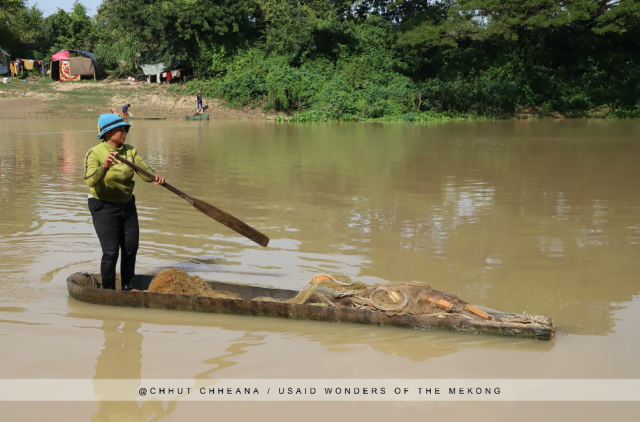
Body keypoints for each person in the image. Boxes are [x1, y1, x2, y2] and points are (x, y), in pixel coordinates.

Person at [84, 114, 165, 291]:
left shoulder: (130, 151)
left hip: (127, 205)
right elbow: (90, 181)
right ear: (107, 132)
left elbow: (144, 172)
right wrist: (104, 167)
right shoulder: (95, 153)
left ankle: (128, 287)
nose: (124, 132)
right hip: (103, 206)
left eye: (125, 129)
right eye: (120, 129)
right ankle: (108, 291)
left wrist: (155, 177)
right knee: (111, 252)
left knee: (130, 248)